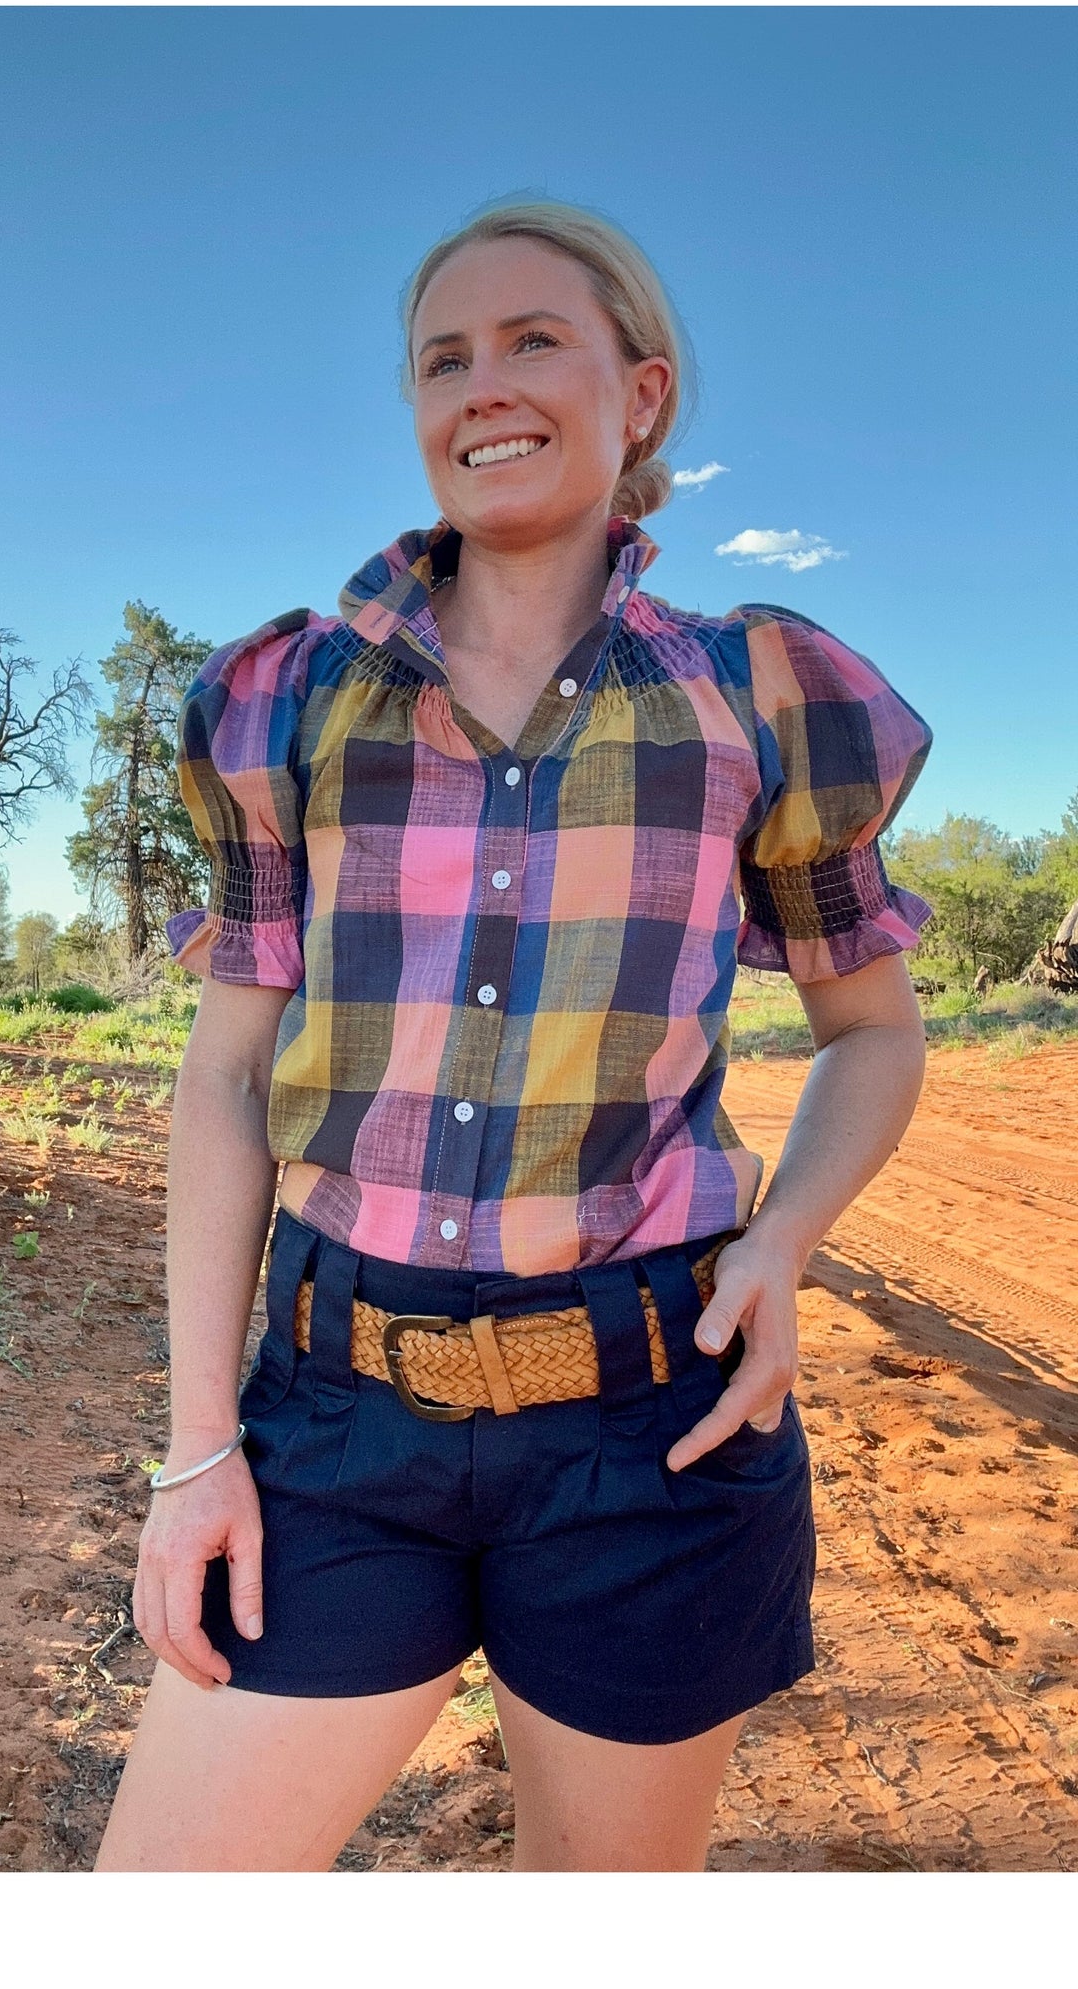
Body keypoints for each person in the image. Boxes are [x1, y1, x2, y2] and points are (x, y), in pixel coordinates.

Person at [95, 199, 932, 1873]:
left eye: (535, 339)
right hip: (339, 1419)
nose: (485, 384)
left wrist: (783, 1243)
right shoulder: (292, 701)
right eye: (441, 358)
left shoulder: (761, 695)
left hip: (653, 1425)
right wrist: (200, 1447)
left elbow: (870, 1033)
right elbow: (229, 1079)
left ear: (643, 394)